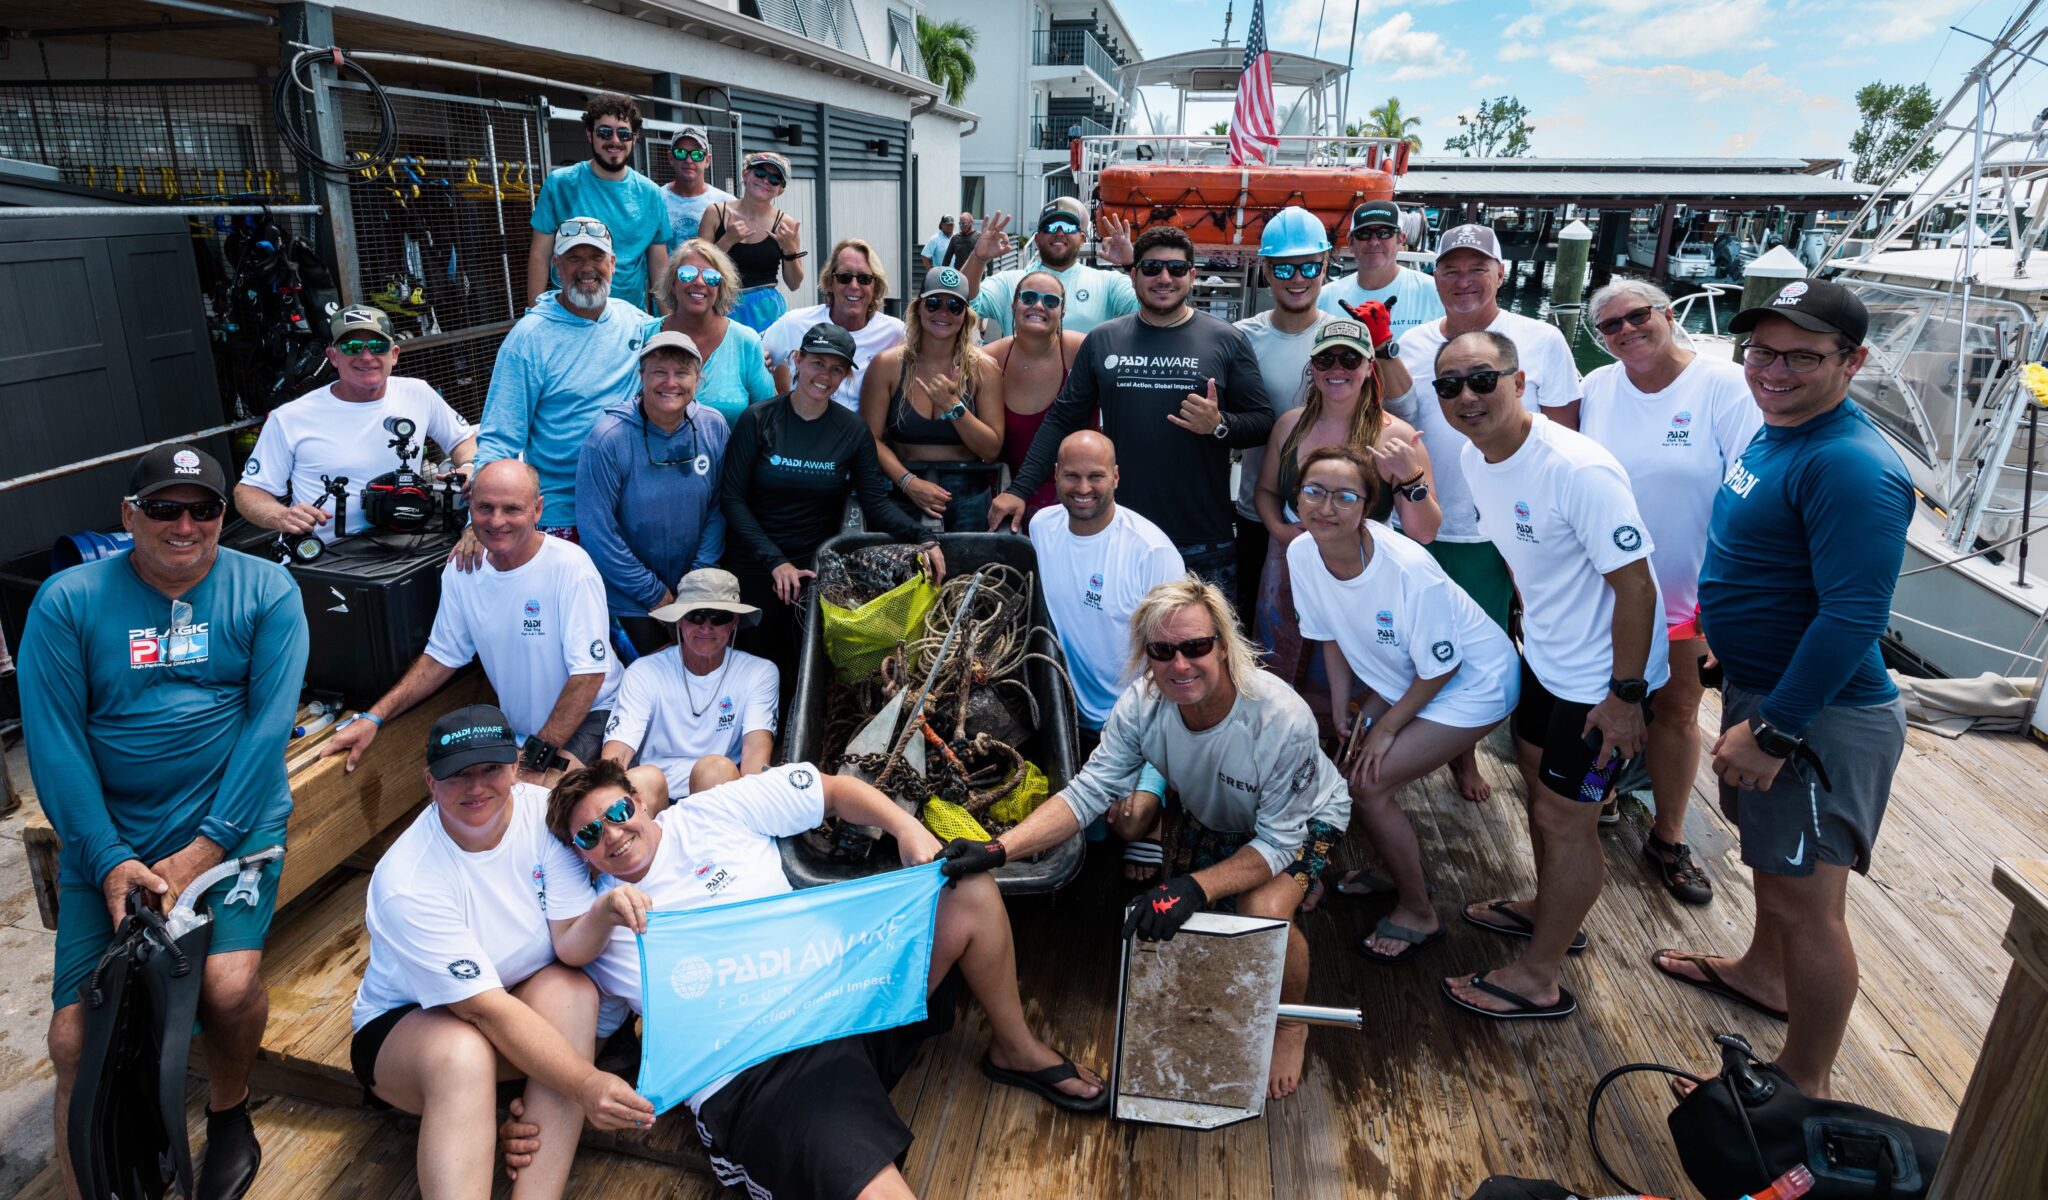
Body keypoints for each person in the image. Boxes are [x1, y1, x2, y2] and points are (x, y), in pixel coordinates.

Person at [512, 760, 1105, 1198]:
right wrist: (604, 908)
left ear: (639, 802)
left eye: (617, 813)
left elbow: (835, 791)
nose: (612, 835)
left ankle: (1016, 1047)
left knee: (966, 886)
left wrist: (906, 828)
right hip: (762, 1067)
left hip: (841, 998)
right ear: (578, 854)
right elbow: (565, 954)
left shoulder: (711, 812)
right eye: (589, 835)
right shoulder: (591, 915)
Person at [22, 443, 308, 1200]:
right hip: (108, 842)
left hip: (230, 833)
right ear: (129, 516)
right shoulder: (67, 602)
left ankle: (229, 1108)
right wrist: (112, 858)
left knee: (227, 985)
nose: (185, 525)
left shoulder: (268, 590)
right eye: (164, 509)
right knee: (73, 1039)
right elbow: (55, 747)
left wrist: (200, 851)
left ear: (222, 515)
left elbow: (267, 730)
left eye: (203, 508)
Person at [939, 578, 1349, 1099]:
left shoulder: (1281, 718)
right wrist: (998, 850)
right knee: (1193, 918)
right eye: (1163, 650)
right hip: (1214, 813)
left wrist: (1197, 886)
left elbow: (1277, 843)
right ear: (1147, 656)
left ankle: (1292, 1025)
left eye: (1197, 646)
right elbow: (1088, 793)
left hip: (1301, 820)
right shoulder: (1141, 705)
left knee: (1262, 909)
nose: (1180, 664)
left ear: (1223, 645)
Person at [1654, 280, 1912, 1100]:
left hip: (1818, 718)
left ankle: (1803, 1083)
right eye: (1761, 351)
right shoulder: (1778, 431)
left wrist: (1775, 733)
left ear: (1853, 361)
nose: (1773, 369)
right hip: (1763, 688)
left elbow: (1853, 616)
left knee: (1810, 906)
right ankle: (1762, 975)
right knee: (1772, 867)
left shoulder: (1849, 465)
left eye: (1802, 355)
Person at [1431, 331, 1667, 1022]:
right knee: (1541, 799)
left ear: (1520, 380)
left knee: (1568, 819)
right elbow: (1521, 556)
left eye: (1482, 379)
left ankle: (1539, 975)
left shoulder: (1576, 468)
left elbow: (1638, 589)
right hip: (1547, 660)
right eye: (1449, 386)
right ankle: (1548, 910)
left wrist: (1627, 700)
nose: (1467, 396)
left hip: (1605, 685)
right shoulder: (1481, 459)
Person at [351, 705, 653, 1199]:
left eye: (490, 769)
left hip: (514, 1001)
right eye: (457, 775)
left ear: (515, 767)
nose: (476, 788)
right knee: (462, 1054)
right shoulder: (405, 879)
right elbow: (483, 1011)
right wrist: (584, 1084)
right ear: (430, 782)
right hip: (411, 1024)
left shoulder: (547, 815)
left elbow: (569, 942)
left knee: (573, 991)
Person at [1285, 446, 1515, 961]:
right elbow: (1328, 633)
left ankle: (1419, 911)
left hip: (1473, 682)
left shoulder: (1409, 568)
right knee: (1346, 771)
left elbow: (1445, 667)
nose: (1325, 507)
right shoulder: (1303, 553)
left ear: (1367, 507)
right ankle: (1394, 867)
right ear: (1296, 498)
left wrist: (1385, 727)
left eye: (1345, 496)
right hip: (1405, 674)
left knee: (1368, 786)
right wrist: (1344, 707)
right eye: (1313, 491)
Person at [1579, 279, 1762, 905]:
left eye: (1638, 316)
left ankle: (1669, 834)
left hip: (1688, 593)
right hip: (1601, 589)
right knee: (1599, 701)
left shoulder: (1723, 385)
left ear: (1667, 314)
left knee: (1677, 712)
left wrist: (1725, 605)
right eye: (1611, 326)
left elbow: (1750, 496)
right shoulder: (1596, 388)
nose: (1626, 331)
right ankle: (1598, 798)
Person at [991, 225, 1275, 599]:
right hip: (1120, 532)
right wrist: (1019, 489)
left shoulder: (1225, 339)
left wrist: (1219, 425)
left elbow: (1262, 421)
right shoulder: (1104, 339)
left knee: (1204, 651)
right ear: (1134, 273)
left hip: (1202, 538)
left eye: (1176, 269)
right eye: (1152, 267)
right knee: (1120, 648)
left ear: (1192, 275)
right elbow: (1062, 419)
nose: (1163, 278)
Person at [323, 460, 622, 779]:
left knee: (538, 799)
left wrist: (534, 759)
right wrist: (374, 717)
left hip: (595, 713)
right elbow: (440, 657)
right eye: (485, 507)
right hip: (522, 732)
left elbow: (588, 676)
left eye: (512, 509)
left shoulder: (570, 567)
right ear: (470, 507)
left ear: (537, 510)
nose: (496, 521)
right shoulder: (462, 569)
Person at [720, 322, 946, 698]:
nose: (824, 376)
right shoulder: (758, 419)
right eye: (817, 363)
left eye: (836, 369)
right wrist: (774, 562)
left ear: (846, 376)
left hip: (813, 566)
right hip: (755, 563)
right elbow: (732, 499)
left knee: (805, 674)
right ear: (798, 360)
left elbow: (875, 502)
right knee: (753, 668)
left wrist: (922, 537)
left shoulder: (851, 430)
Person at [1386, 223, 1583, 633]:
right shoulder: (1409, 345)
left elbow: (1567, 441)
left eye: (1477, 268)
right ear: (1435, 278)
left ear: (1501, 273)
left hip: (1512, 533)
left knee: (1495, 648)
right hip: (1425, 525)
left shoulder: (1543, 339)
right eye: (1450, 271)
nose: (1463, 282)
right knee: (1421, 642)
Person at [1027, 431, 1183, 879]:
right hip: (1070, 711)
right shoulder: (1042, 527)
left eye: (1096, 476)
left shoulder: (1150, 550)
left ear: (1115, 477)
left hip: (1139, 714)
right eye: (1072, 476)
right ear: (1055, 476)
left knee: (1131, 825)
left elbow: (1173, 656)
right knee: (1089, 838)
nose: (1083, 488)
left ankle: (1154, 809)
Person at [1251, 319, 1437, 689]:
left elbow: (1424, 531)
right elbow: (1266, 492)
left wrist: (1410, 475)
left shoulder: (1397, 435)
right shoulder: (1289, 426)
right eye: (1326, 360)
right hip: (1288, 565)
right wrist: (1279, 530)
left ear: (1370, 367)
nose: (1337, 369)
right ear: (1313, 368)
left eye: (1350, 360)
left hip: (1364, 579)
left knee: (1355, 680)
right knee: (1279, 672)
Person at [237, 306, 475, 543]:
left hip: (403, 540)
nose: (366, 356)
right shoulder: (290, 417)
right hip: (327, 553)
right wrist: (281, 515)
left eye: (377, 346)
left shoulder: (416, 392)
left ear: (394, 354)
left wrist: (468, 466)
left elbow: (464, 439)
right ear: (333, 357)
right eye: (352, 347)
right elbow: (248, 491)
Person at [478, 218, 647, 537]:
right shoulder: (528, 338)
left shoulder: (635, 322)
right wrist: (479, 521)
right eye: (574, 258)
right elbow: (499, 436)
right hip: (562, 513)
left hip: (629, 505)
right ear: (557, 266)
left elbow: (682, 348)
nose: (586, 268)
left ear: (612, 263)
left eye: (596, 257)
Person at [575, 331, 728, 652]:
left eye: (682, 372)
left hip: (695, 583)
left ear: (698, 379)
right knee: (660, 672)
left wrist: (696, 582)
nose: (670, 382)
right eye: (659, 371)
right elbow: (597, 530)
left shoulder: (713, 427)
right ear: (641, 376)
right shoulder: (607, 438)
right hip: (632, 594)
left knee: (702, 666)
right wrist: (653, 593)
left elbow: (719, 507)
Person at [1233, 206, 1340, 614]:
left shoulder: (1344, 338)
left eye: (1309, 268)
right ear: (1265, 270)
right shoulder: (1241, 339)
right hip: (1257, 514)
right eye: (1284, 270)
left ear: (1326, 266)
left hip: (1333, 515)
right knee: (1255, 626)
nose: (1297, 280)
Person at [601, 568, 777, 810]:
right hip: (652, 794)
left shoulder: (760, 672)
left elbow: (756, 753)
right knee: (643, 778)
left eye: (719, 617)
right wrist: (604, 798)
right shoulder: (643, 671)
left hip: (719, 790)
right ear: (680, 620)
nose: (706, 628)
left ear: (734, 622)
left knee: (716, 769)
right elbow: (618, 748)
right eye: (696, 616)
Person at [860, 266, 1006, 532]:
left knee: (968, 572)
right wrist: (908, 482)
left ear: (965, 316)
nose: (943, 313)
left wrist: (954, 407)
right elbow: (869, 439)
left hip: (967, 494)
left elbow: (991, 449)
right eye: (934, 303)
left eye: (955, 306)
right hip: (902, 490)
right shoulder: (888, 365)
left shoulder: (984, 369)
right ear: (918, 308)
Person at [526, 93, 670, 313]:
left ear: (634, 137)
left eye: (623, 134)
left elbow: (659, 268)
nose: (614, 141)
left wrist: (668, 325)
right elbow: (540, 255)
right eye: (605, 132)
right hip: (569, 314)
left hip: (628, 319)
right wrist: (535, 314)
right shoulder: (560, 184)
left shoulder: (651, 194)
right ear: (589, 134)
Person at [984, 268, 1090, 520]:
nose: (1039, 306)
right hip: (1003, 494)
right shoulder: (987, 358)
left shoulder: (1083, 350)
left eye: (1051, 301)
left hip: (1072, 497)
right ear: (1014, 305)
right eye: (1029, 298)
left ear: (1062, 311)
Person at [761, 237, 906, 410]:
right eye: (844, 277)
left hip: (863, 434)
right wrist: (759, 359)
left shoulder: (894, 333)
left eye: (864, 278)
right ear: (830, 282)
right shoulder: (795, 323)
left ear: (876, 286)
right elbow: (750, 352)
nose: (854, 285)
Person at [644, 239, 777, 426]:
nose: (699, 282)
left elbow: (767, 417)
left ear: (721, 287)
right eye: (687, 274)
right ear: (672, 283)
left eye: (711, 277)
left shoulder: (746, 342)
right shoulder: (646, 335)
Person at [961, 198, 1137, 337]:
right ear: (1037, 239)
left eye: (1069, 227)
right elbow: (964, 301)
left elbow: (1150, 310)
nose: (1059, 232)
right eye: (1050, 227)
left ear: (1083, 238)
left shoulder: (1109, 283)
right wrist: (978, 258)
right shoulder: (1009, 282)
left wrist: (1132, 264)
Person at [1318, 200, 1445, 344]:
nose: (1374, 242)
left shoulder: (1435, 293)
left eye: (1384, 233)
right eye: (1364, 234)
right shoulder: (1324, 298)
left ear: (1401, 240)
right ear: (1350, 242)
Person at [707, 150, 805, 332]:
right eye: (760, 173)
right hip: (722, 306)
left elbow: (794, 284)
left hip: (766, 312)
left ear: (780, 189)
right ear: (746, 173)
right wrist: (727, 240)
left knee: (767, 361)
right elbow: (699, 269)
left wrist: (789, 249)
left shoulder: (786, 225)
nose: (766, 181)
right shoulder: (715, 214)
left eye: (774, 179)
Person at [659, 125, 734, 249]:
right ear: (670, 158)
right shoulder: (655, 199)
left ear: (708, 160)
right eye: (681, 153)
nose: (688, 160)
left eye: (697, 154)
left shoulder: (727, 204)